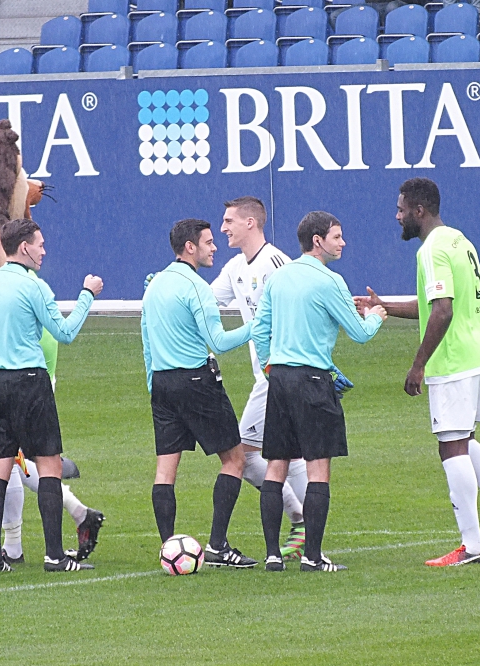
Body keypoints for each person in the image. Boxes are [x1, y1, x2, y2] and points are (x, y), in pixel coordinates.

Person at [356, 179, 480, 568]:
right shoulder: (459, 240)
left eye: (400, 209)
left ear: (419, 211)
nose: (396, 216)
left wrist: (418, 365)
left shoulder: (431, 249)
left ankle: (471, 546)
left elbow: (443, 311)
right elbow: (437, 304)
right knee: (464, 439)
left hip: (456, 359)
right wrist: (385, 307)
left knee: (450, 445)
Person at [0, 210, 104, 565]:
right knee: (49, 466)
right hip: (30, 382)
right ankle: (55, 555)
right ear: (24, 247)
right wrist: (88, 294)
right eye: (40, 246)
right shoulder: (33, 286)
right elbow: (65, 332)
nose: (44, 252)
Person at [252, 211, 387, 573]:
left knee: (276, 466)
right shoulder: (330, 282)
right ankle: (312, 556)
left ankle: (272, 555)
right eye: (337, 236)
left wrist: (270, 367)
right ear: (317, 240)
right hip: (313, 380)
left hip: (279, 379)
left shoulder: (277, 279)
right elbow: (359, 333)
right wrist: (376, 314)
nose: (343, 243)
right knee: (318, 469)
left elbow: (260, 331)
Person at [142, 219, 258, 568]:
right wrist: (259, 323)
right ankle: (218, 546)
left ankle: (168, 549)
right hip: (197, 382)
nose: (214, 247)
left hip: (162, 383)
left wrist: (155, 385)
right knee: (235, 460)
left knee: (165, 471)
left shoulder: (155, 285)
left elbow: (146, 342)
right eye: (208, 242)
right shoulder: (196, 288)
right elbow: (220, 341)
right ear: (189, 247)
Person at [210, 197, 309, 560]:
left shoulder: (276, 264)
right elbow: (206, 302)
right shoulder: (236, 266)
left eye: (229, 221)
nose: (223, 228)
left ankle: (301, 519)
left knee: (242, 453)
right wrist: (173, 286)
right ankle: (307, 526)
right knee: (288, 452)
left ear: (251, 223)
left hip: (280, 375)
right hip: (267, 376)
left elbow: (298, 311)